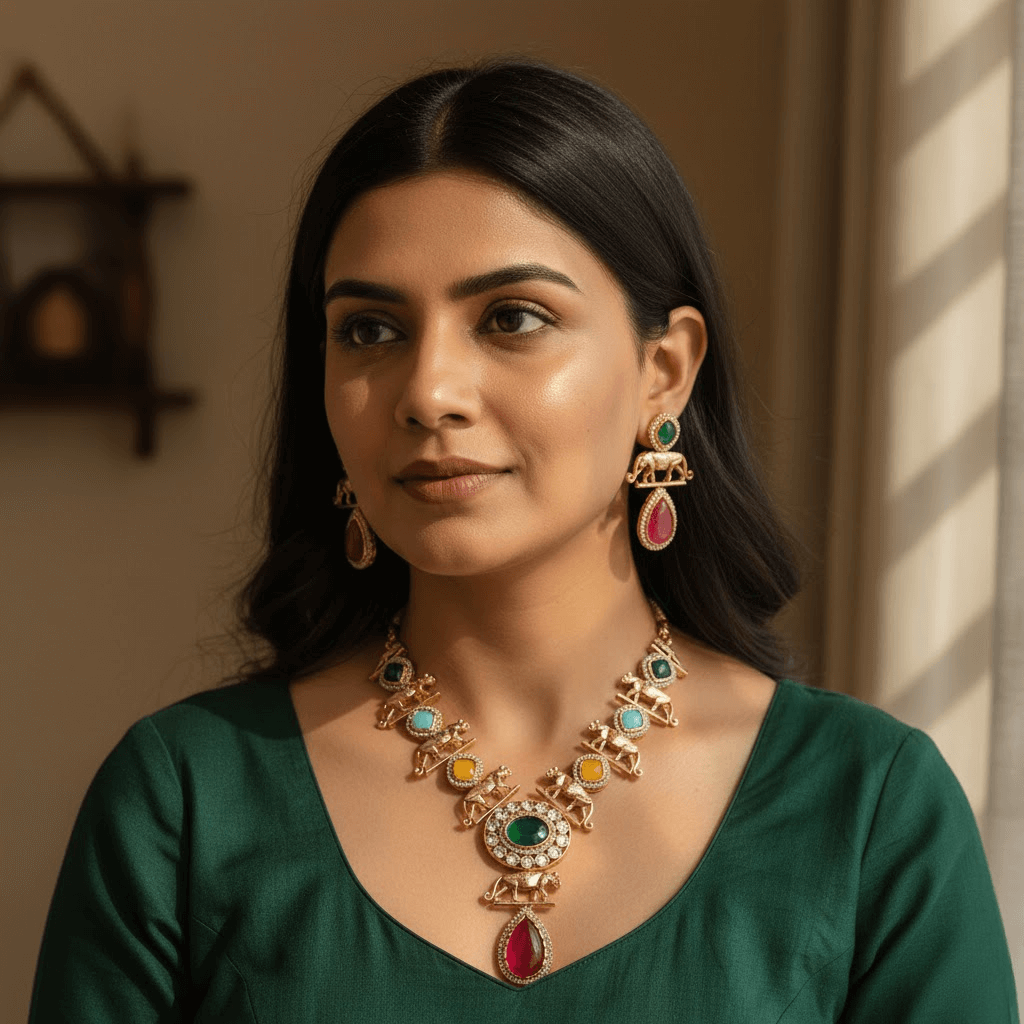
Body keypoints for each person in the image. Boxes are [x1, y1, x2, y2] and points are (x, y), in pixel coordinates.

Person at [29, 56, 1018, 1022]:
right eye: (370, 330)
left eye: (511, 317)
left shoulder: (865, 809)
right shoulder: (187, 801)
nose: (426, 393)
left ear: (664, 371)